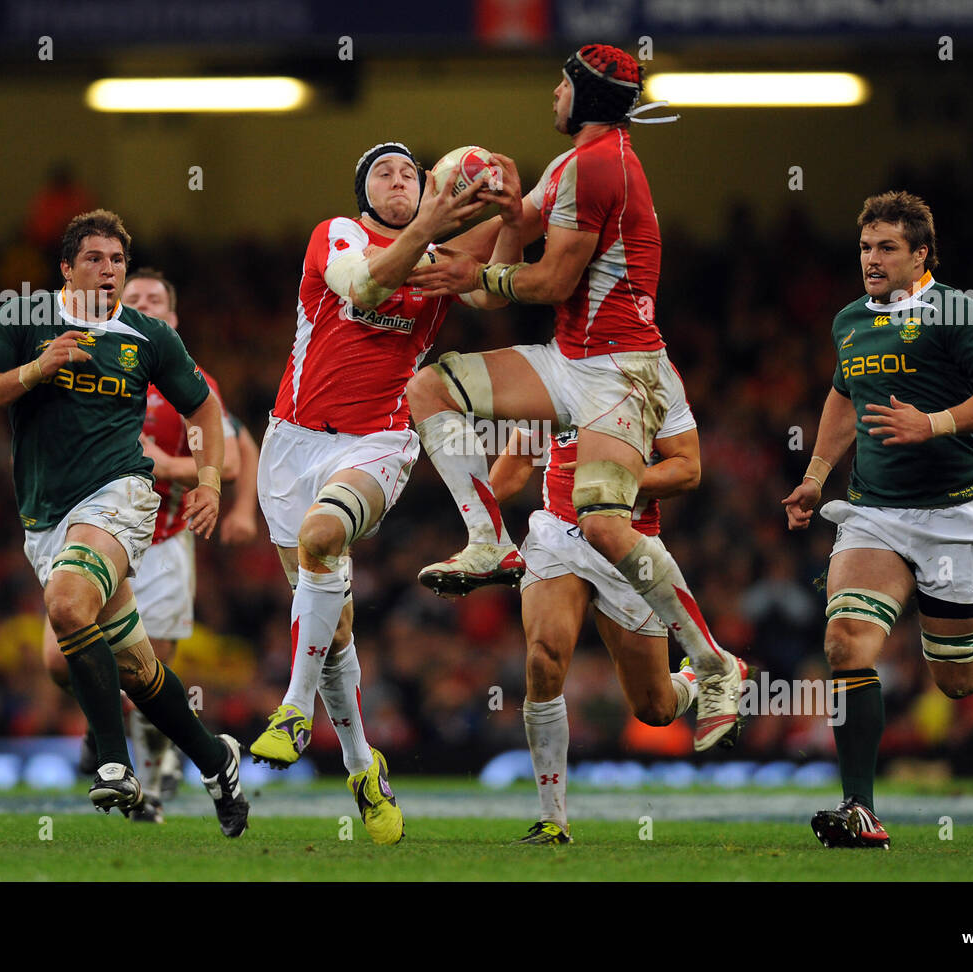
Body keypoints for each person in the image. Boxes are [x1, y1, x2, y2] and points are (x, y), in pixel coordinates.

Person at [404, 43, 746, 751]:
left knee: (601, 523)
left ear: (587, 95)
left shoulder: (597, 166)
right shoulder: (569, 164)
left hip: (624, 370)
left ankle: (713, 667)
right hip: (570, 360)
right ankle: (487, 542)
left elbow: (550, 282)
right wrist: (427, 239)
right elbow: (516, 239)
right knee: (430, 387)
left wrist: (478, 274)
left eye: (561, 85)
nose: (551, 95)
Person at [248, 142, 523, 844]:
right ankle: (364, 766)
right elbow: (364, 288)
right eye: (383, 173)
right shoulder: (337, 234)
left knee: (322, 538)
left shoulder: (440, 261)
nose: (398, 180)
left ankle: (291, 710)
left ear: (429, 187)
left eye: (411, 173)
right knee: (332, 628)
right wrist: (434, 225)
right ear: (364, 192)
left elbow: (511, 252)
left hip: (379, 441)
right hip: (290, 444)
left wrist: (514, 199)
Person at [0, 210, 250, 837]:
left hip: (121, 494)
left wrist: (208, 481)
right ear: (65, 267)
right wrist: (35, 370)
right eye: (94, 259)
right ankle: (216, 759)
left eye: (117, 260)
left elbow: (204, 404)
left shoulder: (147, 337)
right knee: (137, 669)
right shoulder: (24, 319)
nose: (108, 271)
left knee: (66, 606)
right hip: (45, 515)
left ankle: (115, 764)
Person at [781, 190, 973, 850]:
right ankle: (859, 809)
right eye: (865, 247)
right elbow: (845, 396)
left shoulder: (952, 309)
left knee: (954, 678)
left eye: (888, 247)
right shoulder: (849, 322)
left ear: (921, 255)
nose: (872, 259)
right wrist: (814, 478)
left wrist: (936, 423)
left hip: (956, 517)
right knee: (844, 644)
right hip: (875, 516)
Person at [489, 370, 753, 844]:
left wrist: (621, 481)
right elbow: (514, 467)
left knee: (654, 708)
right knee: (542, 659)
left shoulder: (658, 381)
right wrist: (475, 522)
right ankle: (553, 820)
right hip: (556, 535)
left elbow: (687, 469)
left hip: (629, 546)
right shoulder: (554, 375)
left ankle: (707, 671)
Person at [42, 268, 245, 824]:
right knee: (58, 664)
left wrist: (177, 469)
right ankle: (113, 727)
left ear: (173, 319)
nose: (144, 305)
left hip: (163, 540)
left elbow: (233, 450)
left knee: (145, 671)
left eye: (156, 299)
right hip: (88, 526)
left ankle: (147, 785)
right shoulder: (92, 358)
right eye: (134, 299)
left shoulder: (188, 378)